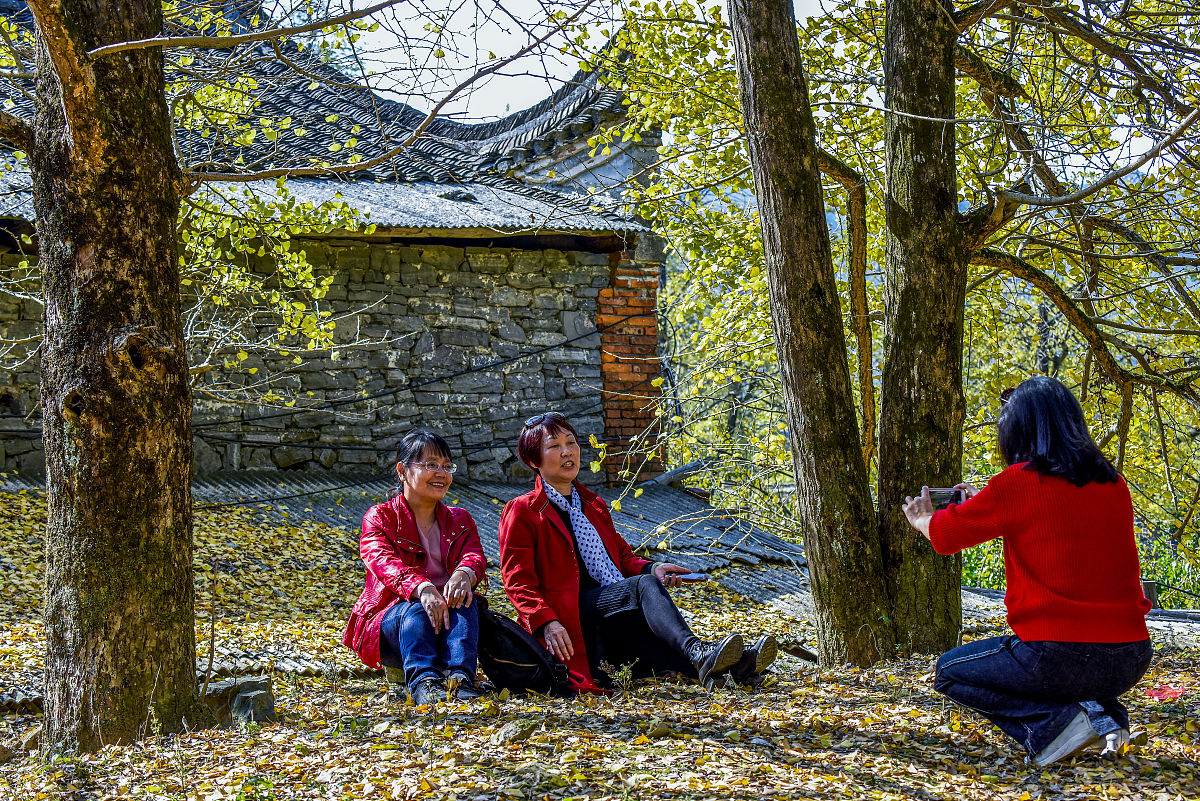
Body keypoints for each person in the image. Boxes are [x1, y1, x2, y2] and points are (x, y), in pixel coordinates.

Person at [902, 376, 1153, 767]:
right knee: (1070, 667)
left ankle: (1055, 728)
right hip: (1131, 657)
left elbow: (947, 536)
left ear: (1017, 430)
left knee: (950, 671)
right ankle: (1107, 719)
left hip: (1057, 654)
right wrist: (979, 502)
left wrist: (922, 519)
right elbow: (1051, 521)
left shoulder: (1015, 484)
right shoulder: (1112, 482)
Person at [498, 411, 777, 693]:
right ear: (534, 460)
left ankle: (738, 665)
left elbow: (621, 557)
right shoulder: (523, 510)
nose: (567, 452)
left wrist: (651, 568)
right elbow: (517, 581)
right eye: (554, 446)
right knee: (643, 587)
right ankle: (698, 650)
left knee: (656, 635)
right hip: (568, 616)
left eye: (571, 443)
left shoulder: (592, 505)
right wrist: (547, 621)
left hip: (609, 611)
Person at [343, 430, 488, 705]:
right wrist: (422, 588)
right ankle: (423, 682)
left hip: (450, 620)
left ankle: (460, 679)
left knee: (465, 601)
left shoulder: (461, 519)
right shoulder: (380, 518)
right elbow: (383, 562)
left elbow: (474, 555)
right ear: (402, 470)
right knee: (419, 608)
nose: (441, 473)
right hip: (391, 621)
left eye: (446, 466)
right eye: (430, 465)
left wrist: (464, 573)